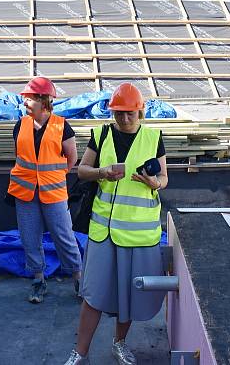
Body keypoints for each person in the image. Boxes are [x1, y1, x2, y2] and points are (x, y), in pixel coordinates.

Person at [64, 82, 168, 365]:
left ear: (140, 111)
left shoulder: (154, 137)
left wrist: (153, 182)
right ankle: (80, 352)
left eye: (129, 114)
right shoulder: (101, 135)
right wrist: (102, 172)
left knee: (129, 296)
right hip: (104, 232)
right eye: (118, 113)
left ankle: (119, 343)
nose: (123, 119)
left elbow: (164, 179)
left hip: (138, 234)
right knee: (93, 294)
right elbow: (82, 171)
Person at [7, 76, 82, 304]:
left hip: (54, 192)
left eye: (29, 99)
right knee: (30, 238)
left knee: (64, 237)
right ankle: (38, 280)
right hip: (25, 191)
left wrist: (54, 176)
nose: (25, 103)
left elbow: (72, 158)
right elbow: (19, 155)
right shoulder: (21, 124)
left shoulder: (62, 126)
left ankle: (79, 278)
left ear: (43, 100)